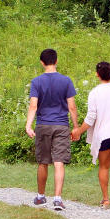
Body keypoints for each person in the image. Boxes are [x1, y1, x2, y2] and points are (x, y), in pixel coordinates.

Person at [71, 61, 110, 212]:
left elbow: (91, 118)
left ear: (97, 74)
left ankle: (105, 200)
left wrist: (78, 131)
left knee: (104, 166)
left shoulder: (94, 92)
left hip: (103, 136)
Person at [25, 48, 77, 210]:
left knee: (43, 162)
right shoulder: (66, 80)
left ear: (42, 62)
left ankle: (41, 196)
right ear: (56, 61)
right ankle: (57, 199)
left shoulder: (37, 82)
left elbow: (33, 105)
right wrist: (75, 126)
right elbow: (72, 107)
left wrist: (28, 125)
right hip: (61, 124)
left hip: (43, 124)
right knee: (59, 162)